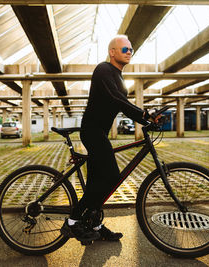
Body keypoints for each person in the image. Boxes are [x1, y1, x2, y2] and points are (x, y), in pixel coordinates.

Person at [61, 35, 158, 243]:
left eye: (131, 49)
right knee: (112, 175)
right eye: (125, 49)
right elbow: (116, 98)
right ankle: (72, 222)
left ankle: (94, 224)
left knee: (98, 182)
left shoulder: (119, 76)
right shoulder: (103, 69)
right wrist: (144, 115)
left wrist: (146, 120)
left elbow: (122, 103)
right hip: (92, 131)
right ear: (112, 52)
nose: (129, 52)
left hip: (100, 133)